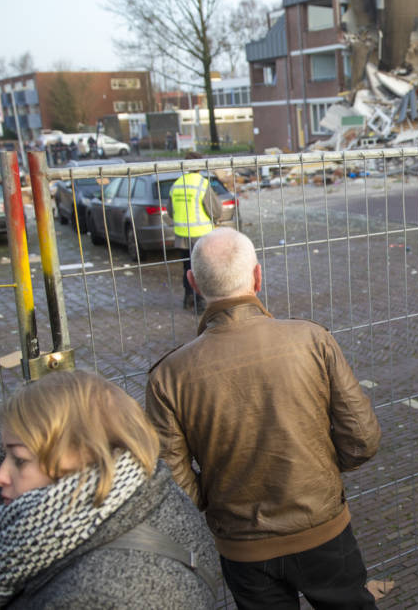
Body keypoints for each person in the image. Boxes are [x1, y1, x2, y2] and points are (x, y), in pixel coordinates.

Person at [146, 228, 382, 609]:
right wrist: (318, 469)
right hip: (323, 527)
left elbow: (175, 488)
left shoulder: (168, 376)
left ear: (193, 281)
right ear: (257, 276)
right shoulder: (312, 340)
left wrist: (220, 493)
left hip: (243, 548)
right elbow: (363, 440)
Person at [0, 371, 219, 608]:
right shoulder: (143, 485)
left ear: (88, 460)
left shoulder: (97, 597)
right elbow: (52, 505)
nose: (1, 475)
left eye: (17, 459)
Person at [168, 160, 223, 310]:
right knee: (202, 268)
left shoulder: (177, 184)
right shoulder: (202, 184)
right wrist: (216, 218)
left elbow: (170, 210)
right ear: (200, 167)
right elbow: (215, 209)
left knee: (187, 267)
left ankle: (188, 298)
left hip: (181, 234)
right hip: (201, 235)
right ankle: (201, 302)